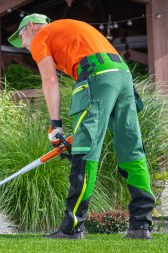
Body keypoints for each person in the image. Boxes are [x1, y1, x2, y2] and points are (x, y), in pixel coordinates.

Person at [8, 14, 155, 239]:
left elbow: (49, 80)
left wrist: (55, 125)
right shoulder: (71, 28)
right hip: (124, 77)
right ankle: (140, 226)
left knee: (85, 152)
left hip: (96, 75)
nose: (24, 44)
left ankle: (72, 227)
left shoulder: (42, 36)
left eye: (22, 37)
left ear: (30, 27)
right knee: (131, 150)